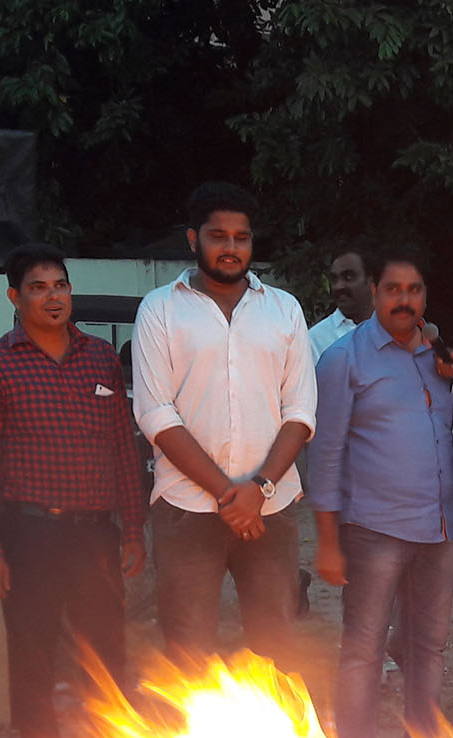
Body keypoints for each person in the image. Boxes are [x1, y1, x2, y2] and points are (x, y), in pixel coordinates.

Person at [0, 242, 146, 738]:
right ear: (14, 297)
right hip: (30, 536)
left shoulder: (99, 360)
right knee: (34, 668)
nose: (53, 296)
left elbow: (121, 449)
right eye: (38, 287)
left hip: (95, 538)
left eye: (60, 285)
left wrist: (133, 528)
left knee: (108, 664)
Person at [132, 182, 315, 664]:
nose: (231, 248)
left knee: (275, 646)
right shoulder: (160, 310)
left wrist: (258, 489)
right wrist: (228, 494)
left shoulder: (284, 310)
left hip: (270, 509)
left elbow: (299, 412)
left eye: (241, 237)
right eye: (219, 236)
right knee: (188, 649)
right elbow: (156, 414)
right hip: (186, 507)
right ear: (194, 239)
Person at [310, 248, 453, 738]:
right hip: (372, 529)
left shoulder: (438, 358)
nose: (405, 300)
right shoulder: (343, 359)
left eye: (415, 290)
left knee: (428, 647)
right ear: (375, 293)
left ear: (425, 296)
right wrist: (327, 540)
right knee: (363, 648)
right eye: (394, 289)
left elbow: (442, 440)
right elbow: (326, 454)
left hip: (437, 528)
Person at [308, 247, 372, 362]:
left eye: (348, 277)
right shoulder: (315, 339)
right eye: (334, 279)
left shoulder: (395, 330)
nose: (338, 286)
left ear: (371, 281)